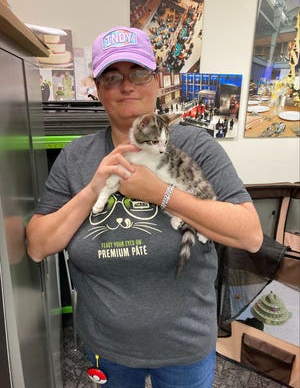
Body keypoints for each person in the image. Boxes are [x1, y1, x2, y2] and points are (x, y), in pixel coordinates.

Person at [26, 26, 263, 388]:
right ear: (97, 88)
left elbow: (249, 235)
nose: (127, 85)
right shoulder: (76, 157)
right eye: (112, 77)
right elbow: (38, 245)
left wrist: (161, 193)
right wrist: (94, 188)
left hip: (184, 347)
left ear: (156, 81)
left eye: (138, 73)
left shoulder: (196, 145)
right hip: (107, 347)